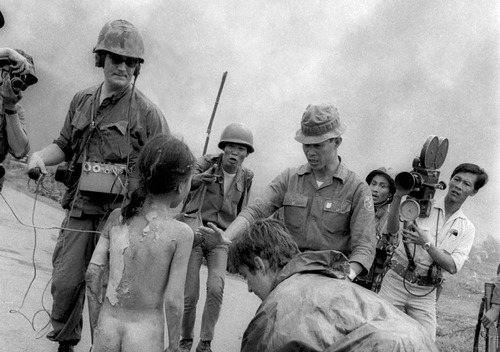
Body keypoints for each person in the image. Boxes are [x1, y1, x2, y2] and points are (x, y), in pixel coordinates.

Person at [27, 19, 168, 352]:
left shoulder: (148, 114)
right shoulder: (81, 100)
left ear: (137, 67)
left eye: (129, 62)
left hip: (122, 220)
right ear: (100, 59)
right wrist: (38, 158)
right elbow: (63, 145)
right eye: (114, 59)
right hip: (80, 211)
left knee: (112, 294)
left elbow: (164, 169)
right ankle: (65, 343)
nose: (121, 67)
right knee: (64, 283)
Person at [200, 103, 376, 282]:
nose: (310, 152)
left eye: (318, 145)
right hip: (289, 275)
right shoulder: (289, 179)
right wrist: (226, 236)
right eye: (306, 145)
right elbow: (256, 210)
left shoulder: (357, 189)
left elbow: (364, 245)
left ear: (337, 142)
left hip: (331, 278)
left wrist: (347, 277)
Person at [228, 218, 439, 352]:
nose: (248, 287)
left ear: (259, 264)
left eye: (246, 276)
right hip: (422, 341)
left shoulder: (273, 313)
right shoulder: (328, 277)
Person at [86, 135, 194, 352]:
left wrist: (97, 329)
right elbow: (173, 301)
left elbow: (92, 274)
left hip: (108, 327)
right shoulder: (181, 234)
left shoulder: (117, 217)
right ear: (181, 186)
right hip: (145, 336)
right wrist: (174, 347)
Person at [378, 163, 488, 339]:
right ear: (450, 180)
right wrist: (398, 197)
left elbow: (453, 267)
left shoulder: (466, 227)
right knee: (379, 336)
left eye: (466, 184)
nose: (458, 186)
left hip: (425, 294)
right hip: (395, 282)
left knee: (426, 343)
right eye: (456, 179)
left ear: (473, 192)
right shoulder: (420, 205)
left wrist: (426, 244)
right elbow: (391, 230)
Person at [179, 123, 254, 352]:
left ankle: (205, 342)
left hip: (220, 238)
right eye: (230, 146)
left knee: (216, 288)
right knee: (190, 294)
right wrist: (199, 178)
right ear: (223, 147)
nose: (235, 152)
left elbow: (244, 211)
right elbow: (184, 185)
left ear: (247, 153)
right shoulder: (206, 163)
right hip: (197, 232)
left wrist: (235, 241)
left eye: (241, 148)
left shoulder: (247, 176)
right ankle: (185, 340)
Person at [0, 47, 37, 190]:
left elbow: (20, 151)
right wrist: (8, 52)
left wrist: (10, 107)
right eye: (9, 73)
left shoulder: (16, 111)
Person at [354, 167, 397, 291]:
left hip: (374, 280)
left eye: (382, 186)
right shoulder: (357, 209)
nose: (375, 190)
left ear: (390, 193)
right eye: (373, 184)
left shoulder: (392, 220)